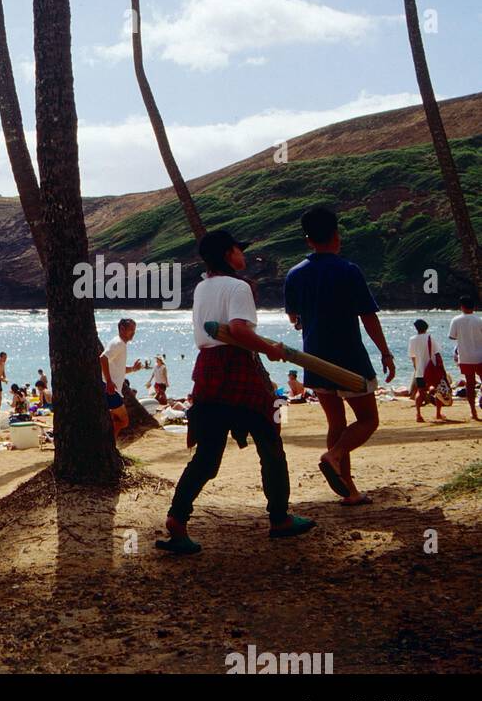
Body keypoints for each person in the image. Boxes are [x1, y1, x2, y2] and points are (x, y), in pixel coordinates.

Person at [158, 230, 314, 554]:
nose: (243, 255)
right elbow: (239, 330)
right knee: (270, 441)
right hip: (237, 366)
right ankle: (280, 518)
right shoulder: (238, 287)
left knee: (207, 454)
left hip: (207, 369)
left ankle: (177, 518)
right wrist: (270, 349)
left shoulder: (202, 287)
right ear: (229, 254)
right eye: (238, 250)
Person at [284, 206, 394, 507]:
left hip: (314, 358)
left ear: (308, 240)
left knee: (336, 423)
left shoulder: (295, 274)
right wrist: (385, 353)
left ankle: (349, 491)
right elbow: (368, 316)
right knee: (368, 419)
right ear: (336, 235)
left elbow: (294, 317)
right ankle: (333, 456)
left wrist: (309, 318)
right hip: (349, 356)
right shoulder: (348, 270)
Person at [100, 319, 140, 435]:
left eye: (134, 330)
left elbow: (118, 369)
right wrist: (109, 382)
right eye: (131, 330)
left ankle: (109, 443)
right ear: (122, 329)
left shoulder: (119, 343)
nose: (133, 333)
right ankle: (109, 443)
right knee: (124, 421)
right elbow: (103, 358)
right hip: (111, 389)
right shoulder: (119, 343)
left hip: (111, 388)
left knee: (114, 420)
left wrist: (133, 369)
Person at [448, 299, 482, 422]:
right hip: (480, 356)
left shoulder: (456, 320)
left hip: (465, 357)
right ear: (474, 307)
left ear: (461, 307)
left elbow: (452, 336)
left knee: (470, 384)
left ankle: (473, 411)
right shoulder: (479, 320)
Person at [408, 319, 447, 424]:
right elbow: (437, 353)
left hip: (420, 370)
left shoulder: (412, 339)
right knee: (438, 391)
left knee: (420, 391)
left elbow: (412, 356)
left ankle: (418, 414)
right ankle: (438, 413)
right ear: (426, 327)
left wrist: (416, 368)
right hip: (432, 369)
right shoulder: (431, 338)